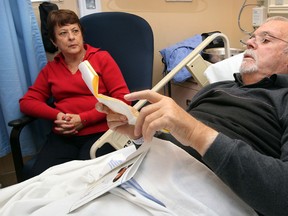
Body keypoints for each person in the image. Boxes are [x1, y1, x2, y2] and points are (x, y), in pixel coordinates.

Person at [96, 16, 288, 216]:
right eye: (251, 37)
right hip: (148, 173)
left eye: (265, 39)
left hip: (197, 195)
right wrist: (139, 131)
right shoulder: (216, 88)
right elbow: (181, 143)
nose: (250, 42)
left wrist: (195, 131)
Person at [19, 9, 130, 177]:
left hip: (101, 132)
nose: (71, 37)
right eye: (63, 33)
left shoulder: (101, 58)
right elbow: (27, 102)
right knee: (40, 178)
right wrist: (58, 116)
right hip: (64, 136)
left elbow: (123, 100)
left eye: (75, 31)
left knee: (87, 178)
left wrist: (84, 119)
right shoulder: (51, 69)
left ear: (81, 34)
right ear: (54, 41)